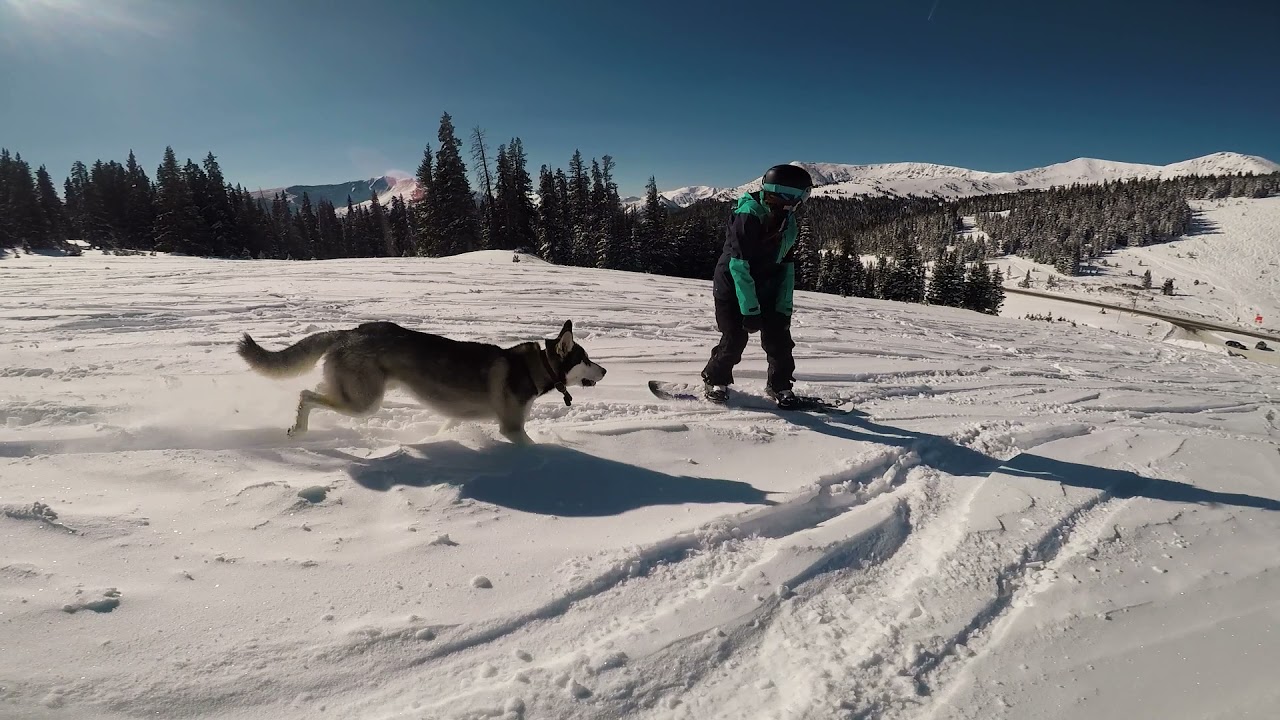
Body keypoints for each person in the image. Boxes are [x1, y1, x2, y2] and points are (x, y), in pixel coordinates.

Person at [701, 163, 813, 408]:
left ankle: (780, 385)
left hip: (767, 285)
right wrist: (750, 311)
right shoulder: (749, 214)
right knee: (734, 339)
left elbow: (786, 263)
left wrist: (784, 306)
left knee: (779, 341)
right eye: (803, 195)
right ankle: (715, 379)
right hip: (732, 287)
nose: (803, 202)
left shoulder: (787, 218)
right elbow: (739, 266)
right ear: (787, 193)